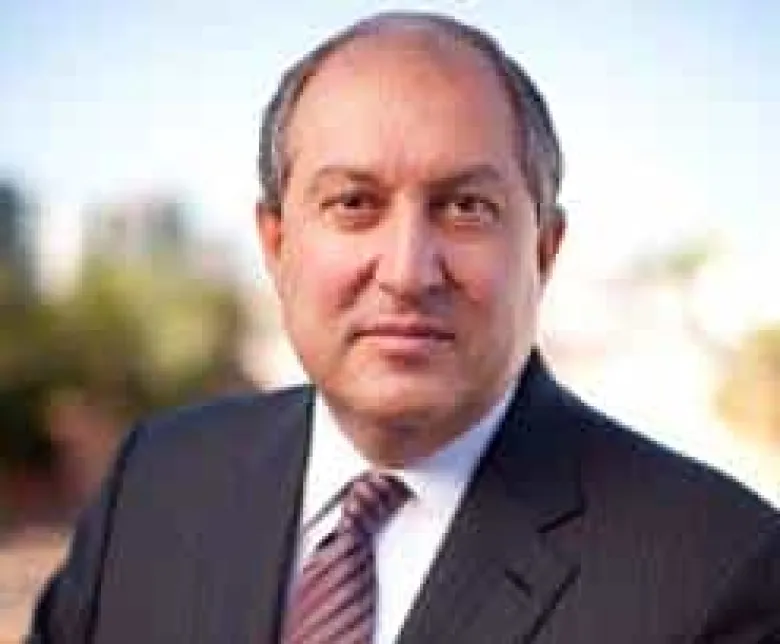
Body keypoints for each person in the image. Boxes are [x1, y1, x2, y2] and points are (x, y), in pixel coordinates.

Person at [28, 11, 779, 644]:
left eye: (466, 208)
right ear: (276, 245)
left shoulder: (718, 570)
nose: (408, 271)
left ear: (544, 252)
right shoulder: (155, 484)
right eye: (353, 204)